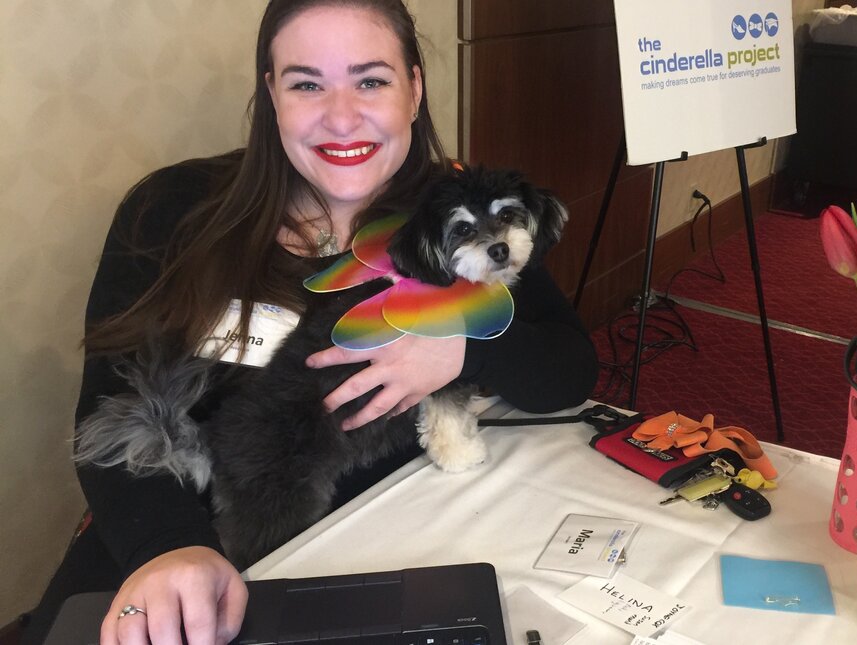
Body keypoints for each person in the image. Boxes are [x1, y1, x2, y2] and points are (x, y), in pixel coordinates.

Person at [21, 1, 598, 643]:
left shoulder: (458, 211)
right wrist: (166, 546)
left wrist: (464, 349)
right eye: (306, 83)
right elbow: (109, 408)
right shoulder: (170, 211)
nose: (341, 115)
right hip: (178, 527)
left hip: (386, 534)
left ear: (414, 88)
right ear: (272, 94)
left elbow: (567, 373)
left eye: (371, 80)